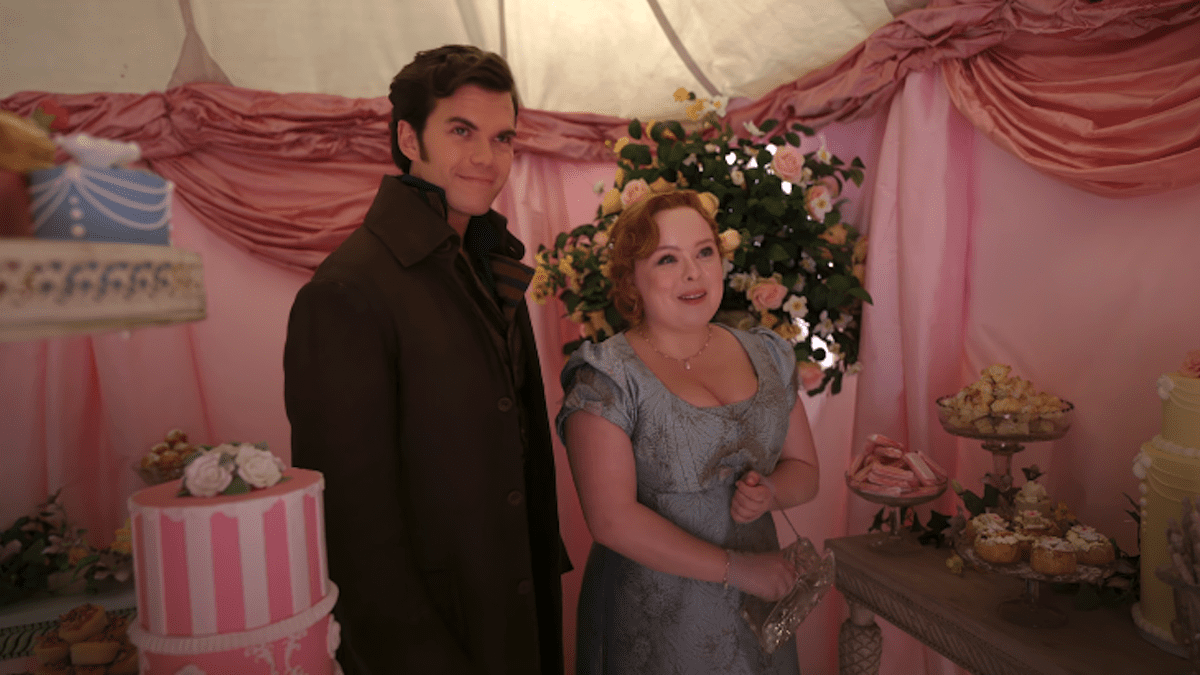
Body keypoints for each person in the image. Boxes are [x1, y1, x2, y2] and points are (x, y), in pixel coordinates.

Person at [284, 45, 568, 675]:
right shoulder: (346, 291)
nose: (485, 158)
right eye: (460, 131)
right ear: (409, 137)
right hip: (431, 644)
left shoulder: (490, 258)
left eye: (502, 137)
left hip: (516, 615)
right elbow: (352, 531)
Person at [557, 189, 821, 674]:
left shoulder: (767, 353)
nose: (693, 273)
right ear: (632, 278)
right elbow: (610, 519)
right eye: (666, 259)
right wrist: (742, 570)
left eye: (704, 252)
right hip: (656, 622)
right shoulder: (607, 375)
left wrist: (770, 491)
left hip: (759, 612)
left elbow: (805, 471)